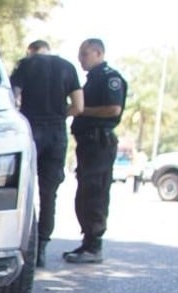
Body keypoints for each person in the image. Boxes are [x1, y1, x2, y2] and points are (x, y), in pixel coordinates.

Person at [9, 40, 83, 268]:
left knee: (21, 189)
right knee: (49, 194)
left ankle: (19, 243)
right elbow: (79, 106)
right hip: (56, 133)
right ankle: (41, 247)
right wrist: (60, 114)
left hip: (31, 129)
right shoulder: (67, 67)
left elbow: (12, 98)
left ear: (31, 51)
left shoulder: (26, 65)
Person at [65, 38, 127, 264]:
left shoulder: (110, 78)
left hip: (99, 143)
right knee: (85, 193)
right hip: (88, 144)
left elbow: (113, 109)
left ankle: (94, 245)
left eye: (85, 54)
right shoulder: (93, 79)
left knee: (95, 193)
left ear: (98, 53)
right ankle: (87, 242)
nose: (80, 59)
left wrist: (81, 111)